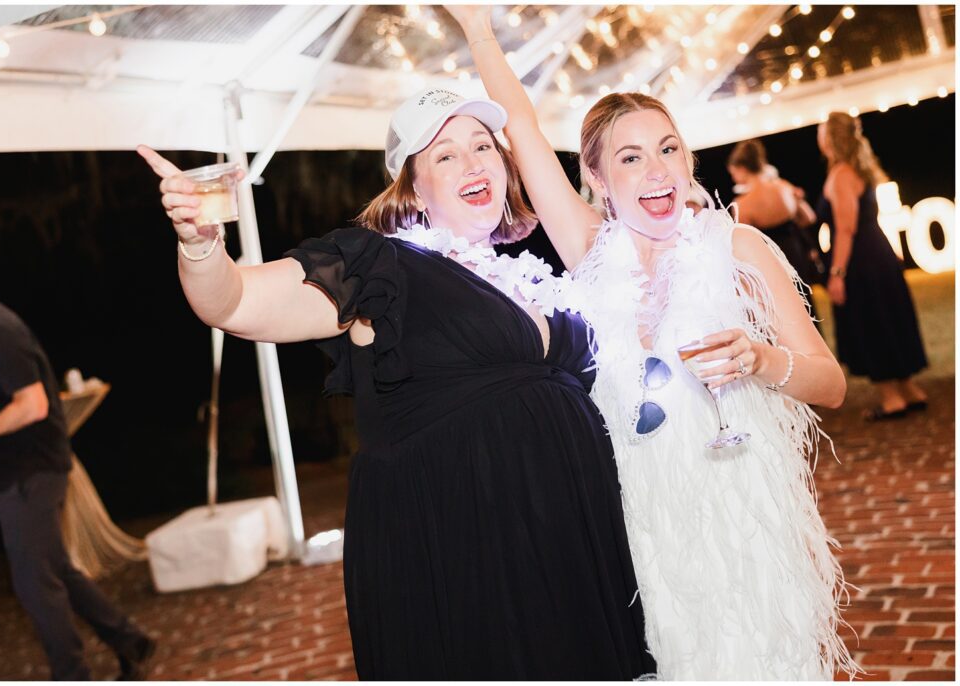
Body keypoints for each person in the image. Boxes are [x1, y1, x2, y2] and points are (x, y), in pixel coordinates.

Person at [137, 88, 656, 679]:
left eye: (483, 146)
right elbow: (234, 303)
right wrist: (200, 245)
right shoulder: (383, 269)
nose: (472, 163)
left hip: (573, 543)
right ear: (412, 188)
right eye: (444, 155)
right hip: (469, 553)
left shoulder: (540, 281)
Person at [449, 6, 859, 680]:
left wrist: (762, 361)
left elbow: (832, 383)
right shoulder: (589, 251)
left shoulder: (737, 247)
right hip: (636, 528)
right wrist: (478, 28)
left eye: (668, 149)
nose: (658, 170)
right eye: (631, 158)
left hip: (740, 518)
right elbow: (520, 127)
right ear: (597, 180)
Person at [0, 237, 156, 681]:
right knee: (55, 570)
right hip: (19, 472)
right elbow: (6, 399)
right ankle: (130, 640)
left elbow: (33, 405)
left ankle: (72, 674)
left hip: (28, 472)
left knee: (34, 584)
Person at [817, 112, 929, 420]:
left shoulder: (841, 174)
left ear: (830, 138)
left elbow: (846, 228)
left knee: (872, 322)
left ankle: (892, 399)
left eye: (821, 132)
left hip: (860, 261)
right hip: (878, 253)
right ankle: (910, 390)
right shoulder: (860, 168)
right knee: (890, 317)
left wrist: (837, 273)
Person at [727, 139, 825, 319]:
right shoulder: (784, 187)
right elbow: (808, 218)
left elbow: (744, 249)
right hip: (796, 254)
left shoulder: (743, 204)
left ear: (742, 169)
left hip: (772, 261)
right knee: (806, 306)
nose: (733, 178)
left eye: (733, 173)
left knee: (785, 313)